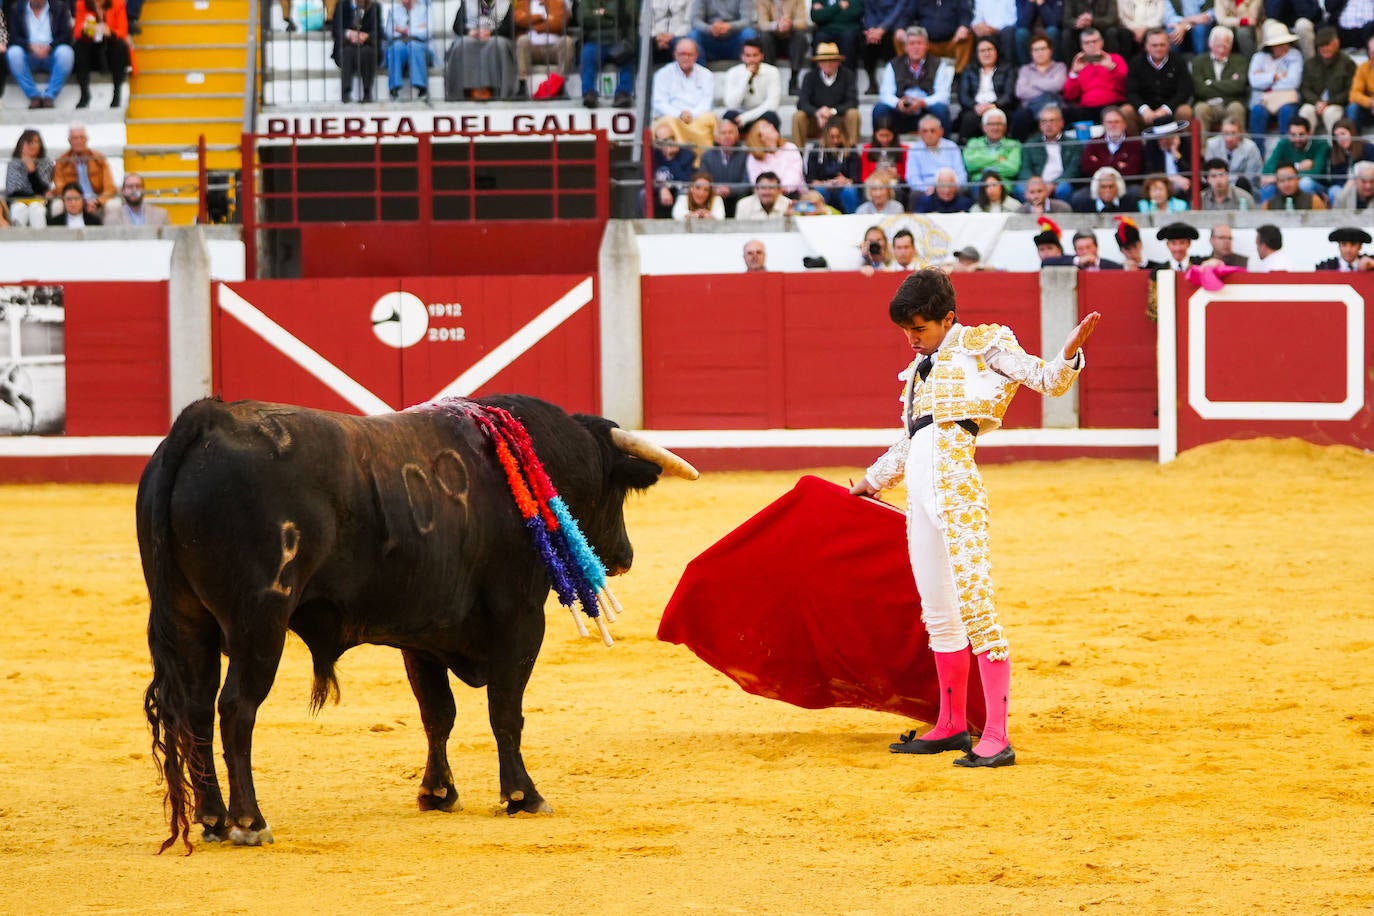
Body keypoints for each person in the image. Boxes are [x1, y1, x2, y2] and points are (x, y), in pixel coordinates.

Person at [853, 268, 1099, 768]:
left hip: (956, 487)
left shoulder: (983, 345)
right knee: (938, 610)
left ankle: (998, 736)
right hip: (922, 487)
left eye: (918, 330)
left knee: (976, 606)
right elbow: (913, 440)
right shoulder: (922, 371)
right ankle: (950, 724)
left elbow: (1047, 381)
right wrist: (870, 483)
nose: (910, 340)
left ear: (948, 319)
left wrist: (1069, 354)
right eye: (905, 331)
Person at [873, 27, 956, 135]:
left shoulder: (938, 64)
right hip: (901, 112)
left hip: (926, 112)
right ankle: (879, 148)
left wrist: (923, 103)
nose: (916, 47)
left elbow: (943, 95)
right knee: (880, 109)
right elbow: (885, 93)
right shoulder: (893, 64)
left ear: (926, 45)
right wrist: (898, 103)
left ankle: (945, 147)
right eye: (912, 43)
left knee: (940, 109)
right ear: (906, 47)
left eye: (919, 43)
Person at [651, 38, 719, 154]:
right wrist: (679, 114)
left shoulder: (706, 75)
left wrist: (692, 114)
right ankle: (681, 158)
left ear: (696, 55)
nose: (685, 58)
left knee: (710, 118)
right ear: (675, 55)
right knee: (668, 121)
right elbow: (659, 102)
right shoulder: (662, 74)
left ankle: (704, 161)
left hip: (697, 116)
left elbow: (707, 101)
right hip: (672, 116)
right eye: (682, 54)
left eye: (689, 54)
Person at [1123, 27, 1193, 135]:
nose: (1158, 48)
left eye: (1162, 44)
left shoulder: (1178, 61)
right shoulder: (1136, 62)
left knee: (1185, 110)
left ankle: (1184, 148)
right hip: (1144, 113)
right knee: (1126, 111)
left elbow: (1184, 91)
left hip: (1170, 111)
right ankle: (1136, 148)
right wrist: (1144, 110)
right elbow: (1131, 92)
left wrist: (1165, 109)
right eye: (1154, 45)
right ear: (1146, 46)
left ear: (1168, 45)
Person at [792, 42, 862, 150]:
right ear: (818, 63)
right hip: (816, 122)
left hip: (839, 120)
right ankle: (798, 156)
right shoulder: (810, 77)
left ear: (838, 62)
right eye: (824, 61)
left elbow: (853, 102)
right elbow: (802, 103)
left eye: (832, 60)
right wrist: (818, 112)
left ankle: (850, 154)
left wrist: (832, 111)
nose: (828, 63)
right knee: (798, 116)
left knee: (853, 114)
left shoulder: (848, 75)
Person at [6, 0, 75, 108]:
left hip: (52, 53)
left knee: (66, 52)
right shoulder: (17, 8)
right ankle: (34, 96)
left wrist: (50, 47)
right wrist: (30, 46)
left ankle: (49, 96)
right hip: (29, 53)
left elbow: (66, 35)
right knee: (13, 53)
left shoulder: (59, 7)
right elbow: (14, 37)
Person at [445, 0, 516, 100]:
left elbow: (509, 28)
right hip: (472, 35)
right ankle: (463, 93)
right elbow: (457, 26)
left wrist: (490, 33)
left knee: (498, 44)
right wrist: (470, 32)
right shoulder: (467, 2)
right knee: (463, 44)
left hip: (496, 35)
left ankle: (499, 92)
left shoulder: (506, 4)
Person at [1247, 20, 1303, 141]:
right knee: (1257, 112)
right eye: (1279, 44)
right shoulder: (1258, 57)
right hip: (1262, 101)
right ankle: (1258, 154)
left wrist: (1266, 83)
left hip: (1286, 100)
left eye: (1286, 43)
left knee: (1287, 111)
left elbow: (1293, 81)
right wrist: (1274, 76)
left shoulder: (1295, 55)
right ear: (1271, 46)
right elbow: (1254, 81)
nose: (1284, 47)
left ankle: (1285, 152)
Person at [1060, 27, 1128, 124]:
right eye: (1087, 43)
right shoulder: (1079, 64)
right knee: (1064, 113)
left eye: (1095, 41)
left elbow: (1126, 87)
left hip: (1112, 106)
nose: (1092, 45)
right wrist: (1074, 73)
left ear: (1102, 42)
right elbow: (1069, 96)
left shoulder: (1115, 59)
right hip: (1087, 109)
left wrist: (1112, 69)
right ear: (1082, 46)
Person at [71, 0, 130, 108]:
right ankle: (85, 94)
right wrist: (86, 30)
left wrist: (109, 31)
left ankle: (117, 94)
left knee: (120, 47)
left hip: (110, 48)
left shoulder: (118, 4)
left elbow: (123, 31)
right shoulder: (82, 4)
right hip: (92, 48)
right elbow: (77, 32)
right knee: (79, 47)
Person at [1189, 26, 1248, 133]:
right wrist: (1228, 85)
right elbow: (1200, 90)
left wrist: (1211, 83)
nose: (1221, 50)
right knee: (1200, 109)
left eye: (1225, 46)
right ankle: (1201, 149)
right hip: (1207, 104)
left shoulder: (1240, 61)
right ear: (1210, 44)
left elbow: (1239, 87)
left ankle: (1239, 147)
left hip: (1230, 103)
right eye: (1218, 46)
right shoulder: (1198, 62)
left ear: (1231, 46)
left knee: (1237, 107)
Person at [579, 0, 636, 108]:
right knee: (587, 54)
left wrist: (601, 13)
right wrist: (612, 19)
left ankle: (623, 93)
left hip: (619, 40)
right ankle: (589, 93)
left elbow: (629, 15)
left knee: (628, 58)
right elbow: (583, 18)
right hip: (595, 40)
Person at [955, 36, 1015, 140]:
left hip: (999, 107)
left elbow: (1009, 94)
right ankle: (965, 150)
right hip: (975, 108)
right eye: (982, 51)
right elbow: (963, 96)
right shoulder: (969, 70)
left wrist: (994, 105)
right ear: (977, 54)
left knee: (999, 118)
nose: (986, 53)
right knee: (969, 119)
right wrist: (975, 106)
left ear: (996, 51)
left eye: (989, 49)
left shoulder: (1007, 69)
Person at [1297, 28, 1354, 135]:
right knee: (1305, 112)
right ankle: (1305, 149)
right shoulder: (1310, 64)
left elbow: (1349, 91)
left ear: (1336, 43)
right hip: (1314, 103)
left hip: (1336, 104)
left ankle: (1334, 148)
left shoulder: (1347, 63)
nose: (1324, 49)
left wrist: (1328, 103)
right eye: (1321, 46)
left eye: (1327, 44)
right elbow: (1304, 88)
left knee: (1330, 113)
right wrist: (1316, 102)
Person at [1017, 105, 1079, 202]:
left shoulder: (1073, 144)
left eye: (1052, 121)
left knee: (1064, 189)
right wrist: (1037, 184)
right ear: (1040, 125)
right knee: (1020, 189)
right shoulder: (1031, 143)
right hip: (1036, 182)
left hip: (1060, 183)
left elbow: (1073, 170)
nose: (1048, 125)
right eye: (1044, 121)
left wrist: (1054, 183)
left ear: (1061, 123)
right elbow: (1025, 169)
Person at [1258, 116, 1329, 200]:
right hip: (1289, 181)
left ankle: (1309, 212)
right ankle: (1267, 212)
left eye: (1301, 135)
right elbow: (1269, 168)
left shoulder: (1321, 145)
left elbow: (1317, 173)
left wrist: (1283, 176)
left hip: (1317, 185)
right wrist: (1297, 167)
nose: (1297, 139)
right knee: (1268, 186)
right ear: (1288, 134)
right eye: (1293, 135)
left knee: (1305, 183)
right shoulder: (1283, 144)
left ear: (1309, 134)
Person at [1011, 33, 1066, 139]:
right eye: (1035, 50)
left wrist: (1033, 83)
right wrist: (1047, 86)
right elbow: (1020, 92)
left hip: (1055, 107)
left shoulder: (1059, 67)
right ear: (1031, 53)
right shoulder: (1025, 69)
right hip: (1031, 108)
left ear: (1050, 50)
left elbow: (1057, 86)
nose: (1039, 53)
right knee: (1020, 116)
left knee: (1060, 108)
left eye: (1043, 49)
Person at [52, 124, 115, 217]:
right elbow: (59, 188)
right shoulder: (62, 161)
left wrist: (98, 201)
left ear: (87, 140)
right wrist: (79, 201)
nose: (79, 141)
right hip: (73, 200)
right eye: (75, 138)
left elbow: (109, 187)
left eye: (82, 137)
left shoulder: (99, 159)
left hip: (96, 200)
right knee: (57, 206)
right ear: (69, 141)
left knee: (113, 205)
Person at [723, 38, 782, 134]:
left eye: (755, 55)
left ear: (762, 56)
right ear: (742, 57)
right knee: (729, 116)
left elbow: (772, 105)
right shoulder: (733, 73)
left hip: (761, 115)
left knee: (771, 116)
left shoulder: (772, 72)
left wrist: (746, 117)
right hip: (739, 116)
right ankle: (732, 149)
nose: (751, 59)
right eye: (748, 55)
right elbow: (731, 105)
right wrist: (747, 76)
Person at [805, 122, 861, 212]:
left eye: (838, 137)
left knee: (850, 191)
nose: (835, 141)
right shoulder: (816, 149)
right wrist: (824, 183)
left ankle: (852, 220)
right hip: (823, 186)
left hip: (843, 188)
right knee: (819, 191)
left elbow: (856, 178)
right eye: (832, 137)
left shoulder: (851, 149)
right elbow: (810, 179)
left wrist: (846, 181)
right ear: (826, 136)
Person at [699, 117, 751, 215]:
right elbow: (703, 181)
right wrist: (716, 190)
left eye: (730, 132)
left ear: (736, 136)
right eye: (723, 133)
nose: (727, 136)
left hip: (737, 197)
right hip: (714, 197)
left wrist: (729, 190)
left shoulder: (745, 155)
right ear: (717, 138)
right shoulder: (707, 156)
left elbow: (747, 183)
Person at [905, 0, 975, 72]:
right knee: (900, 38)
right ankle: (908, 72)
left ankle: (959, 74)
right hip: (927, 44)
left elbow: (965, 13)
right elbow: (907, 15)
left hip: (951, 42)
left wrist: (963, 26)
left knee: (967, 37)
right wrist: (901, 28)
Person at [904, 114, 967, 195]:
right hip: (926, 191)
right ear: (919, 132)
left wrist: (950, 187)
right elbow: (912, 178)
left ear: (941, 132)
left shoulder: (951, 146)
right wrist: (927, 189)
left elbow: (961, 174)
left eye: (932, 130)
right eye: (925, 131)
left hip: (950, 188)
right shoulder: (914, 149)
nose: (929, 134)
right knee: (915, 195)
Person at [754, 0, 809, 91]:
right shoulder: (763, 1)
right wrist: (776, 25)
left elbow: (803, 22)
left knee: (800, 37)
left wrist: (790, 24)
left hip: (790, 40)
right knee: (764, 37)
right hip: (772, 41)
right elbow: (762, 24)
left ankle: (794, 80)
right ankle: (769, 79)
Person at [5, 130, 56, 228]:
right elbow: (13, 191)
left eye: (36, 142)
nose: (32, 145)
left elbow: (43, 190)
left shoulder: (46, 163)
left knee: (36, 209)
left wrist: (31, 170)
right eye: (29, 142)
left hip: (39, 203)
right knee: (19, 209)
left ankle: (41, 241)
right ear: (21, 145)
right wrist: (34, 195)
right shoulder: (14, 164)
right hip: (18, 201)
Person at [335, 0, 382, 102]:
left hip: (367, 45)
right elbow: (336, 30)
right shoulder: (341, 5)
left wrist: (367, 36)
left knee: (366, 53)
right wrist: (349, 34)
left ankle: (367, 92)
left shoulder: (374, 7)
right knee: (347, 52)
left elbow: (378, 31)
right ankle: (346, 93)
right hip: (347, 45)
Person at [1079, 106, 1143, 180]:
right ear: (1104, 124)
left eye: (1117, 122)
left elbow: (1133, 171)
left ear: (1124, 124)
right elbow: (1086, 168)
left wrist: (1100, 164)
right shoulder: (1094, 142)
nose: (1113, 125)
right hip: (1099, 184)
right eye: (1109, 122)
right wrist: (1117, 165)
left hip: (1127, 184)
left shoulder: (1135, 143)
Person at [387, 0, 433, 100]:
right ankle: (394, 89)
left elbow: (427, 32)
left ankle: (421, 88)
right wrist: (417, 29)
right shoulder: (393, 11)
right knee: (396, 48)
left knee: (413, 46)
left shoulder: (425, 9)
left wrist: (405, 30)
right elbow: (389, 33)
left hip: (420, 44)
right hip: (400, 42)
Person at [744, 117, 806, 192]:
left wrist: (778, 190)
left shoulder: (790, 147)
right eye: (765, 126)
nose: (771, 125)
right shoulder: (753, 157)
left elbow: (794, 176)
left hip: (794, 194)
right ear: (760, 137)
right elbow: (756, 182)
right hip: (766, 196)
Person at [962, 107, 1021, 182]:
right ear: (983, 127)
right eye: (991, 124)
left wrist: (982, 168)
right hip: (979, 184)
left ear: (1005, 127)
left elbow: (1012, 169)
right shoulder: (973, 143)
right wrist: (998, 158)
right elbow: (970, 164)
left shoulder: (1014, 144)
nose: (995, 128)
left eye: (999, 124)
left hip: (1004, 185)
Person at [690, 0, 759, 64]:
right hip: (710, 40)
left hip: (735, 41)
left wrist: (729, 26)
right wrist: (709, 29)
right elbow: (695, 21)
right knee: (693, 35)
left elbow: (748, 20)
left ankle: (748, 71)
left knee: (749, 33)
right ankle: (699, 73)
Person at [1203, 116, 1263, 189]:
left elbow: (1251, 177)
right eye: (1226, 133)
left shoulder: (1251, 147)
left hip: (1242, 188)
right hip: (1217, 185)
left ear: (1240, 133)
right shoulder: (1212, 144)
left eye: (1233, 133)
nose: (1229, 138)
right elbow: (1210, 172)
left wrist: (1226, 180)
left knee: (1242, 182)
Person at [650, 124, 697, 217]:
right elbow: (649, 178)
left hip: (679, 191)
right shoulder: (654, 155)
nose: (670, 142)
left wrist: (671, 158)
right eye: (665, 140)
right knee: (643, 194)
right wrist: (662, 188)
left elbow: (685, 180)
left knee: (685, 193)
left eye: (672, 137)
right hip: (660, 193)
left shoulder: (688, 154)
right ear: (658, 143)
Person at [1060, 0, 1125, 60]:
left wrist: (1092, 21)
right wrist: (1078, 22)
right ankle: (1071, 68)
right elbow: (1066, 19)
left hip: (1101, 28)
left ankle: (1112, 63)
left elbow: (1112, 18)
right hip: (1080, 29)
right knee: (1067, 34)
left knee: (1112, 32)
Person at [102, 172, 170, 226]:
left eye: (138, 186)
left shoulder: (161, 215)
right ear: (123, 191)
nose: (134, 190)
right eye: (130, 186)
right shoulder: (111, 218)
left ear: (144, 190)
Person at [1328, 119, 1373, 190]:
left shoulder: (1368, 148)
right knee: (1334, 190)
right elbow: (1336, 180)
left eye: (1343, 134)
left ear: (1352, 133)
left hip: (1365, 188)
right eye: (1336, 136)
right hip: (1344, 190)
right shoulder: (1336, 153)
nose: (1340, 138)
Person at [859, 116, 907, 185]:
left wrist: (897, 175)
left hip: (895, 184)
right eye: (881, 135)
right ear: (875, 134)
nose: (885, 139)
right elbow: (864, 177)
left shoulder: (903, 150)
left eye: (888, 135)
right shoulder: (867, 149)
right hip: (873, 185)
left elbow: (906, 176)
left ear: (894, 134)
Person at [1262, 160, 1327, 209]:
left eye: (1290, 179)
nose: (1286, 184)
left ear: (1298, 179)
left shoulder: (1314, 201)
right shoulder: (1268, 206)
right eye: (1282, 180)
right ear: (1277, 183)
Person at [1013, 0, 1060, 66]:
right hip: (1029, 33)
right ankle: (1026, 68)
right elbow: (1022, 24)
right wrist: (1030, 3)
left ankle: (1054, 67)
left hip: (1047, 31)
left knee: (1052, 31)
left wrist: (1042, 4)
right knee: (1021, 33)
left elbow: (1054, 23)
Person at [649, 0, 692, 64]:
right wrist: (657, 36)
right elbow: (645, 24)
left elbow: (689, 23)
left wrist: (672, 36)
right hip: (657, 36)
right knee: (645, 42)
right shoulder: (647, 1)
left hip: (678, 35)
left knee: (680, 44)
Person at [1348, 35, 1374, 131]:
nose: (1373, 56)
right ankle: (1354, 140)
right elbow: (1353, 94)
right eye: (1372, 53)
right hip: (1369, 108)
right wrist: (1371, 103)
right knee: (1352, 107)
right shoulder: (1363, 67)